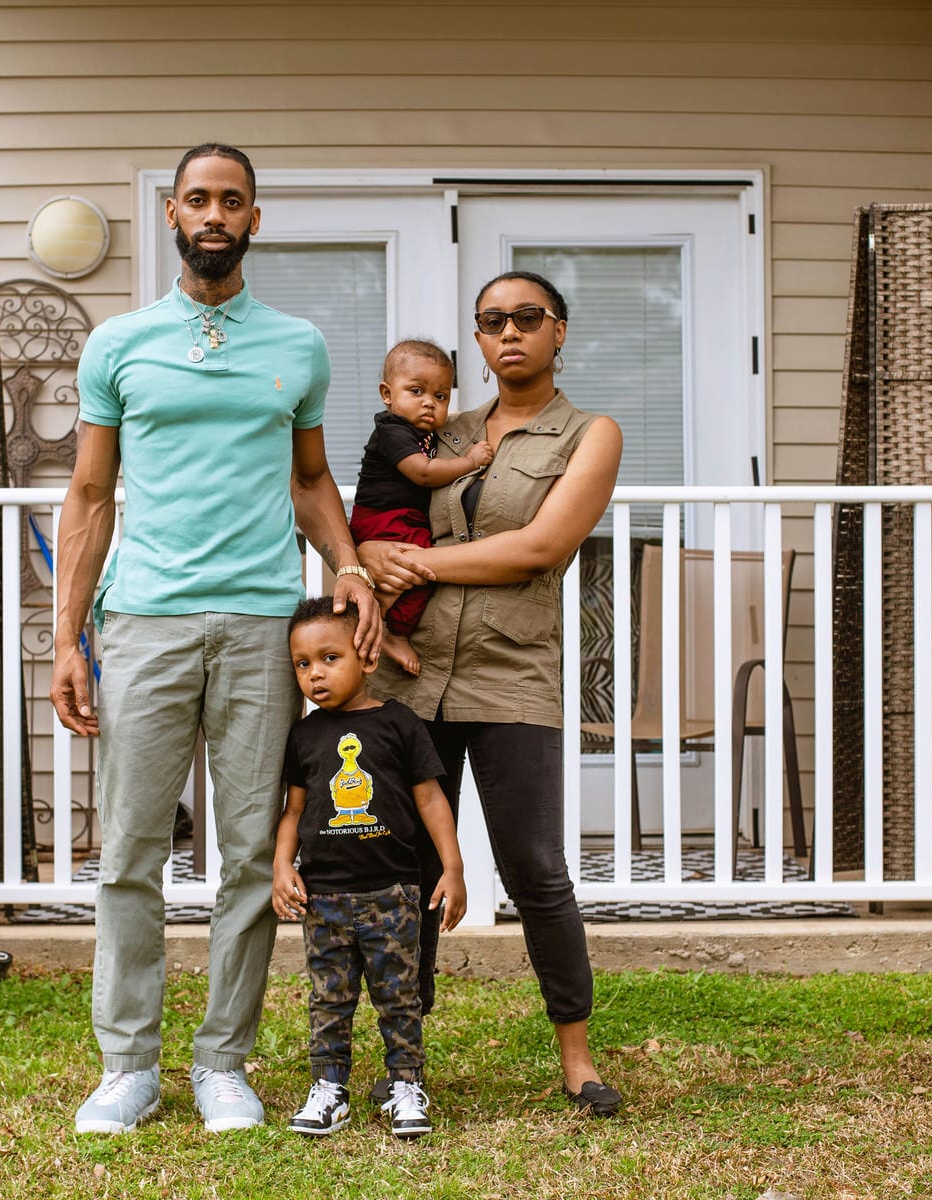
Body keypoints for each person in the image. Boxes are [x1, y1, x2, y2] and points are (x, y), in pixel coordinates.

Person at [50, 144, 380, 1136]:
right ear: (172, 217)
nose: (213, 214)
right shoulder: (120, 344)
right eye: (197, 198)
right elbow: (90, 493)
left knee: (247, 851)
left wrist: (351, 565)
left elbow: (312, 479)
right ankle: (128, 1067)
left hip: (258, 621)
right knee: (130, 852)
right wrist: (70, 637)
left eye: (231, 201)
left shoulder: (298, 346)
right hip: (145, 620)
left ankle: (223, 1063)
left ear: (254, 220)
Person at [358, 270, 627, 1117]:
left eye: (527, 318)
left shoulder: (590, 434)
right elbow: (374, 515)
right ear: (476, 339)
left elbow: (538, 548)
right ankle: (405, 1061)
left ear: (559, 331)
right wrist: (365, 559)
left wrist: (416, 563)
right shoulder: (437, 428)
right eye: (490, 321)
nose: (508, 332)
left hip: (513, 673)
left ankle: (578, 1061)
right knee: (402, 869)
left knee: (535, 869)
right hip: (410, 671)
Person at [270, 596, 466, 1139]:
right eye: (302, 664)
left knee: (397, 995)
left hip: (393, 892)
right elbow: (293, 811)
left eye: (330, 658)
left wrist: (452, 868)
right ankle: (329, 1089)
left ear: (368, 659)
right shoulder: (304, 735)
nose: (315, 674)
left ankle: (406, 1086)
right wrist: (283, 866)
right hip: (325, 897)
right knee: (329, 997)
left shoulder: (399, 724)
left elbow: (431, 800)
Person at [349, 340, 494, 677]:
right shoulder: (392, 430)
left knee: (422, 570)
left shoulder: (422, 431)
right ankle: (389, 626)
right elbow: (423, 472)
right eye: (416, 391)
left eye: (441, 396)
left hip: (399, 517)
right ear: (387, 393)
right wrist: (470, 461)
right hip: (383, 517)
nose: (429, 403)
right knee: (421, 568)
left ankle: (385, 617)